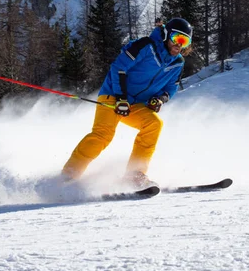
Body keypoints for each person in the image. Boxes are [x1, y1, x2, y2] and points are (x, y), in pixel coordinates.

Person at [62, 18, 193, 188]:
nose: (179, 45)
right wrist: (121, 98)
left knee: (154, 124)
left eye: (185, 41)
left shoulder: (177, 63)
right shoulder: (145, 46)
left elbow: (171, 87)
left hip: (136, 104)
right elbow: (118, 68)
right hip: (112, 95)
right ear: (166, 35)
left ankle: (134, 175)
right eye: (177, 38)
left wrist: (160, 99)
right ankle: (68, 176)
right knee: (103, 135)